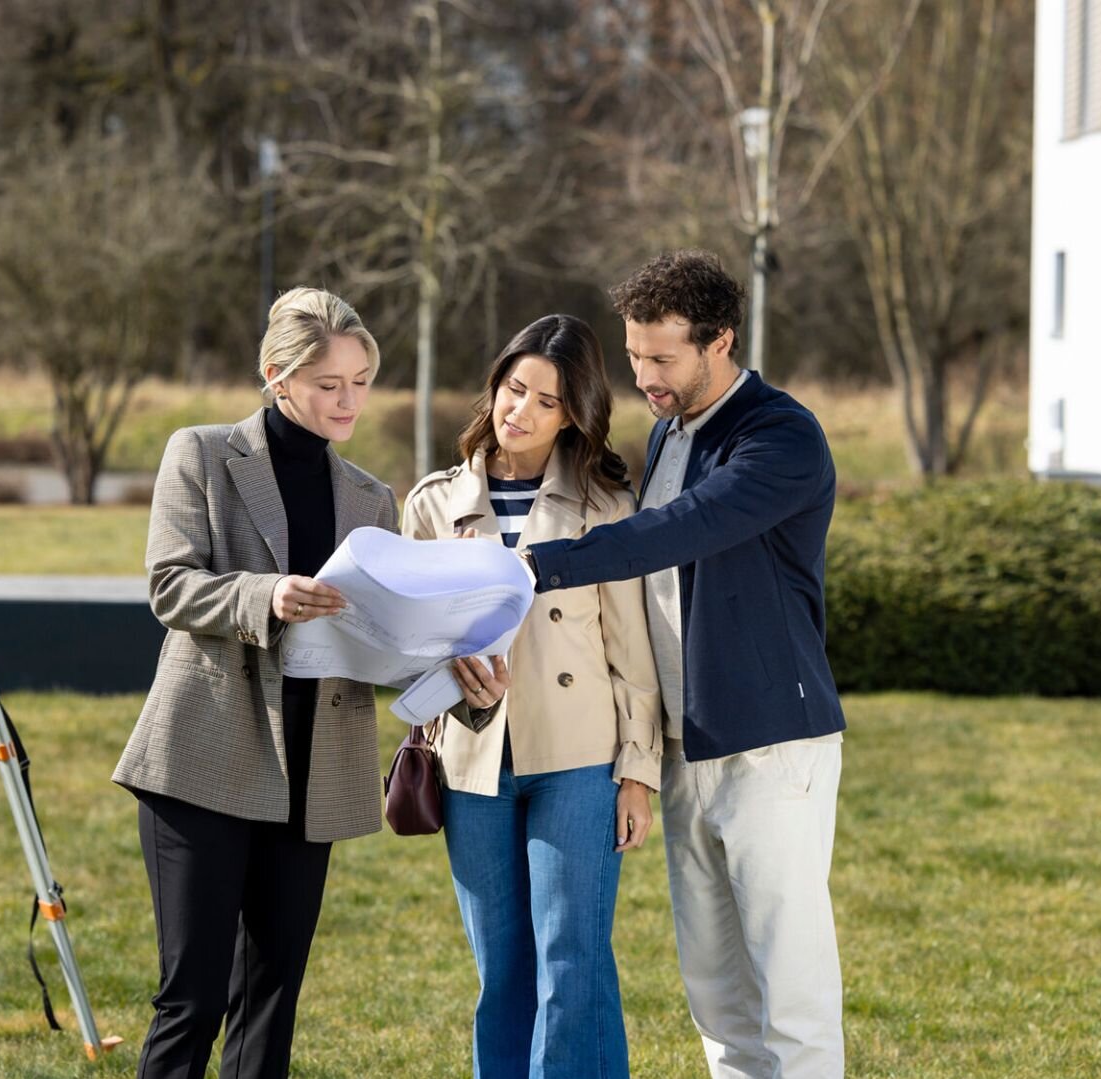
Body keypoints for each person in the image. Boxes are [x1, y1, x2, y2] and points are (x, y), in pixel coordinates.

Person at [113, 287, 509, 1079]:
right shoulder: (200, 453)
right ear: (278, 377)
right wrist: (267, 596)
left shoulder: (371, 497)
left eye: (360, 381)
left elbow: (384, 639)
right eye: (330, 383)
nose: (349, 400)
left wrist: (462, 685)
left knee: (272, 997)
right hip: (203, 755)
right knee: (192, 997)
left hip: (314, 771)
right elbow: (170, 585)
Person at [521, 251, 847, 1078]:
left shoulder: (780, 436)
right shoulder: (668, 431)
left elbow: (683, 528)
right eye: (635, 356)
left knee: (790, 985)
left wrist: (540, 564)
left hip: (770, 745)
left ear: (720, 341)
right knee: (716, 989)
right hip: (684, 743)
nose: (645, 378)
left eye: (662, 358)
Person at [402, 313, 662, 1079]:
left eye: (547, 401)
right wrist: (445, 672)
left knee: (572, 960)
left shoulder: (605, 504)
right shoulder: (431, 504)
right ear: (496, 384)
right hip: (471, 760)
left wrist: (638, 773)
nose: (521, 410)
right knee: (502, 968)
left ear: (573, 415)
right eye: (515, 388)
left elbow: (633, 653)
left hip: (581, 760)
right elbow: (407, 643)